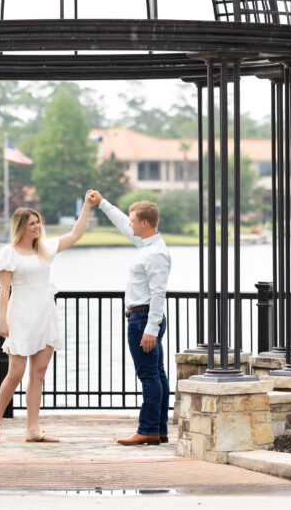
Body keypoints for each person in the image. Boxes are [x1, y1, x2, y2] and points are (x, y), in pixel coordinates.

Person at [0, 198, 93, 442]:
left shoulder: (44, 248)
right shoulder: (8, 253)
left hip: (45, 313)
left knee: (39, 372)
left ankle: (33, 429)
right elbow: (4, 291)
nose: (36, 227)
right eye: (32, 223)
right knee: (15, 372)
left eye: (38, 222)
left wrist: (87, 205)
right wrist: (2, 321)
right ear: (21, 226)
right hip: (21, 314)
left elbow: (76, 234)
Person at [87, 189, 171, 445]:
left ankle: (147, 430)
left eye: (134, 220)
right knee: (157, 374)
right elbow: (124, 224)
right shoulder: (148, 245)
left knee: (149, 376)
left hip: (143, 319)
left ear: (145, 223)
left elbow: (159, 295)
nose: (130, 224)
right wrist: (102, 204)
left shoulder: (155, 254)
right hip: (144, 317)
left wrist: (150, 329)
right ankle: (158, 430)